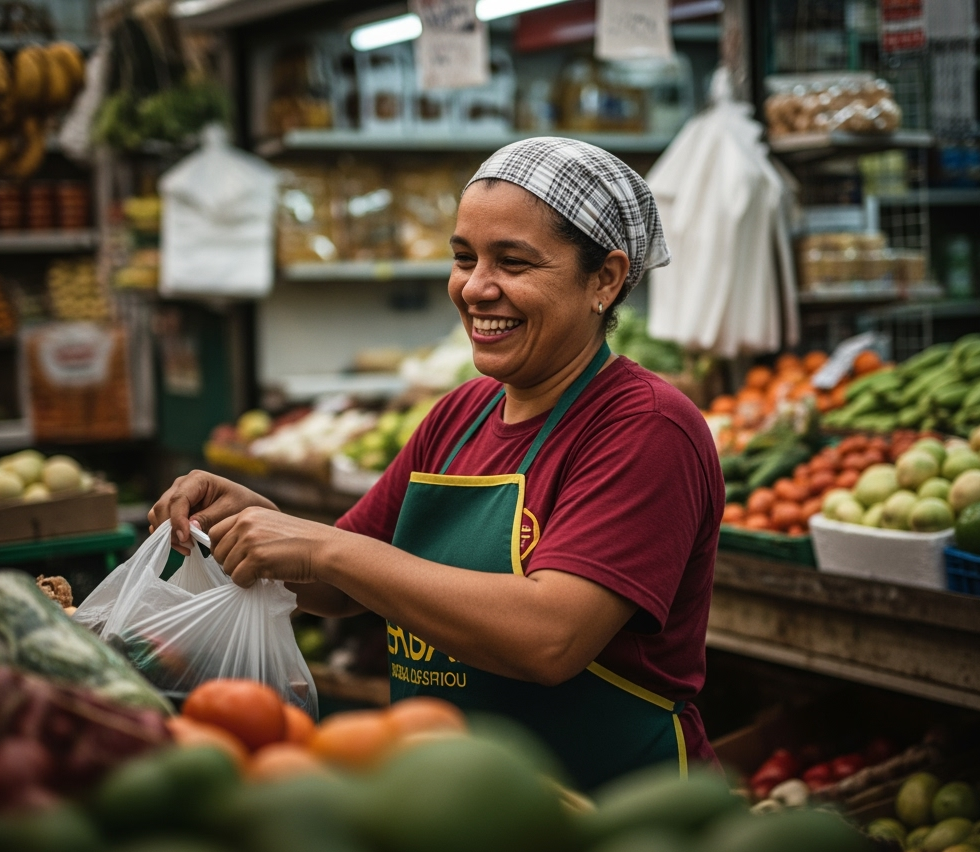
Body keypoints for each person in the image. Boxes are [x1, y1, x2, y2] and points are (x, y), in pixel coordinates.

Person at [149, 137, 725, 790]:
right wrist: (248, 523)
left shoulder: (644, 425)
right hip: (451, 809)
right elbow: (342, 586)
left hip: (613, 818)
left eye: (512, 262)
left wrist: (323, 549)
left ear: (605, 279)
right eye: (463, 258)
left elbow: (551, 639)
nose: (476, 288)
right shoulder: (462, 413)